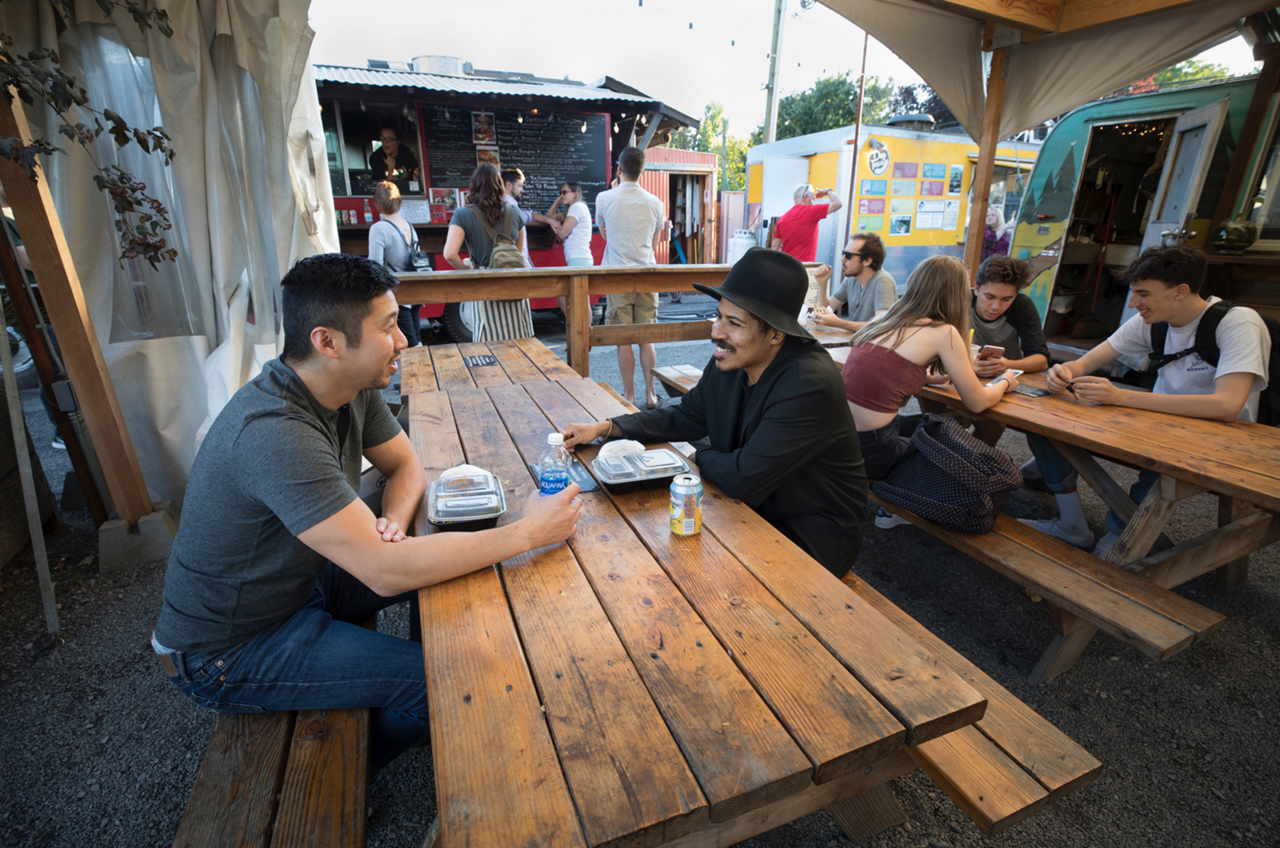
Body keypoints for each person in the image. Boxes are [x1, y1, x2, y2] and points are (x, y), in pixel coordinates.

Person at [152, 253, 582, 775]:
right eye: (387, 328)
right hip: (228, 649)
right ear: (327, 342)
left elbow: (406, 466)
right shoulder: (273, 430)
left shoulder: (344, 387)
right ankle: (336, 768)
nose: (403, 339)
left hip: (297, 586)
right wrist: (529, 532)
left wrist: (393, 526)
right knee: (456, 681)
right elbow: (384, 573)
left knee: (459, 551)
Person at [563, 248, 867, 577]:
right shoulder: (733, 358)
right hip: (749, 509)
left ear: (777, 333)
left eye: (733, 323)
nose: (716, 332)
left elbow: (742, 478)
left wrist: (697, 454)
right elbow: (688, 415)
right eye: (718, 315)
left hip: (808, 536)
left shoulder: (808, 384)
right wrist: (607, 428)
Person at [1020, 246, 1269, 554]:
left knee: (1114, 548)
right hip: (1158, 421)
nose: (1135, 303)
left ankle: (1123, 530)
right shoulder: (1151, 321)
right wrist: (1062, 372)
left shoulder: (1238, 322)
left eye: (1144, 294)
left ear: (1180, 291)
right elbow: (1084, 362)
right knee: (1045, 421)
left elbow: (1226, 406)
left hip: (1219, 439)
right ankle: (1070, 522)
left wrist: (1120, 396)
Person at [840, 255, 1020, 528]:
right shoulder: (943, 331)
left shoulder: (886, 319)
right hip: (874, 452)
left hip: (841, 439)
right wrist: (1007, 381)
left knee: (935, 426)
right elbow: (977, 402)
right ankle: (898, 505)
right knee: (948, 437)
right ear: (958, 294)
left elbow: (885, 372)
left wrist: (927, 378)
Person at [595, 146, 665, 409]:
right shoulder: (655, 202)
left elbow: (605, 234)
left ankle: (629, 395)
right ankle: (650, 394)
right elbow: (655, 241)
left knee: (623, 338)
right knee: (646, 337)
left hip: (617, 276)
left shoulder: (604, 198)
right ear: (643, 171)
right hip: (648, 275)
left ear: (619, 169)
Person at [956, 253, 1051, 445]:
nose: (995, 307)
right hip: (957, 374)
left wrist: (1008, 364)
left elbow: (1042, 359)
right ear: (976, 288)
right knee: (949, 418)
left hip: (1004, 381)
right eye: (989, 296)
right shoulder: (959, 299)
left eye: (1007, 299)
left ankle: (970, 464)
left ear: (1016, 295)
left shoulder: (1023, 306)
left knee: (993, 427)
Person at [443, 163, 535, 341]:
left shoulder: (462, 214)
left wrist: (469, 271)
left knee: (489, 347)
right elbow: (519, 252)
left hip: (484, 283)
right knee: (520, 347)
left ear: (474, 187)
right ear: (500, 186)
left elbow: (449, 254)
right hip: (514, 281)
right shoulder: (515, 211)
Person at [367, 181, 422, 349]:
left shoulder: (379, 228)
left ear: (377, 202)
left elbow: (374, 265)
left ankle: (418, 374)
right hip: (415, 290)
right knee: (416, 339)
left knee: (408, 345)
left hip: (396, 294)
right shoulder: (409, 226)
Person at [812, 232, 896, 333]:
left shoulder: (882, 281)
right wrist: (822, 284)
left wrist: (839, 323)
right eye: (844, 253)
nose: (842, 259)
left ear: (867, 261)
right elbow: (825, 309)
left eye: (848, 255)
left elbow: (882, 325)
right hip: (856, 341)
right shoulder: (852, 279)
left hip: (874, 345)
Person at [770, 184, 843, 262]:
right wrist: (828, 191)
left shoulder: (782, 219)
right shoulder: (811, 211)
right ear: (806, 196)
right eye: (813, 198)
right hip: (805, 268)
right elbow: (838, 203)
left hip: (787, 267)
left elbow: (775, 247)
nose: (813, 200)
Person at [501, 168, 534, 268]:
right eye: (519, 186)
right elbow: (519, 249)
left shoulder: (503, 206)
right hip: (518, 263)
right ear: (509, 185)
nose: (522, 190)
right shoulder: (511, 208)